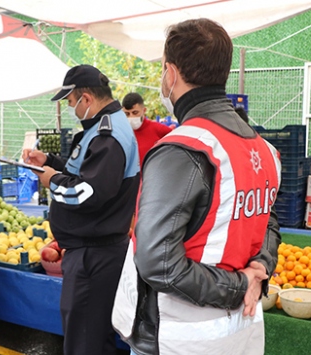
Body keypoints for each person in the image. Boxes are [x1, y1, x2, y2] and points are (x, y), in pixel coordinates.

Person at [112, 19, 282, 355]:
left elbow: (158, 263)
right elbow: (268, 221)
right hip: (241, 330)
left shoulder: (182, 149)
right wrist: (259, 269)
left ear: (170, 74)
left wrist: (240, 285)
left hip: (180, 336)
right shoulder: (264, 150)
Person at [22, 65, 140, 355]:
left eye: (71, 102)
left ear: (86, 99)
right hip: (93, 251)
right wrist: (50, 160)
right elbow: (85, 170)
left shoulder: (108, 135)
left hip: (94, 255)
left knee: (84, 342)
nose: (71, 108)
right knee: (90, 335)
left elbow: (88, 192)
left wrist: (52, 180)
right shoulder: (101, 129)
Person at [121, 93, 172, 165]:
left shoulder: (158, 129)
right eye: (127, 114)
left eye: (135, 112)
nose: (131, 116)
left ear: (144, 110)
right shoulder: (122, 133)